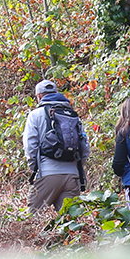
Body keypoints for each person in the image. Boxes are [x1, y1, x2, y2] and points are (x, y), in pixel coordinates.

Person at [22, 80, 89, 213]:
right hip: (72, 176)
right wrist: (77, 166)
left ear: (39, 96)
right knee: (69, 219)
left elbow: (30, 146)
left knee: (32, 217)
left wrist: (35, 169)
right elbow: (84, 146)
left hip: (47, 173)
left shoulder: (35, 115)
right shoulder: (73, 115)